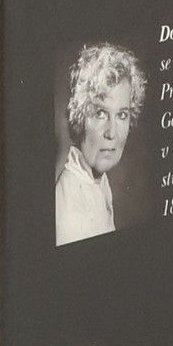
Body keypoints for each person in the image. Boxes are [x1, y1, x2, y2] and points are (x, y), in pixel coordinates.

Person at [55, 43, 148, 244]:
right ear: (79, 117)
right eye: (100, 113)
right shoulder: (69, 207)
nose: (112, 133)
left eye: (122, 115)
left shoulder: (98, 182)